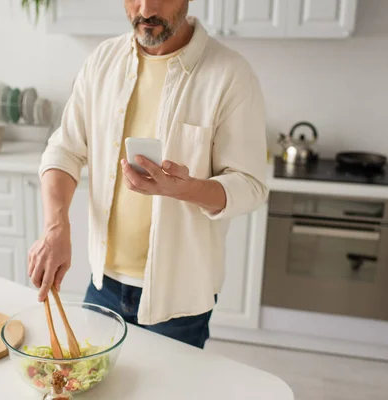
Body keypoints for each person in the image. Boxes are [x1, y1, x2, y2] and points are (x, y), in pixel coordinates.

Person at [28, 0, 268, 349]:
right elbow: (64, 149)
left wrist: (186, 189)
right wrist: (55, 226)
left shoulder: (229, 73)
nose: (145, 10)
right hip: (102, 286)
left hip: (179, 297)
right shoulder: (102, 62)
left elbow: (250, 185)